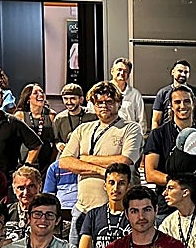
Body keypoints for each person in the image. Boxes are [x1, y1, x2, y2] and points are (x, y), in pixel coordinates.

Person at [58, 79, 143, 222]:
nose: (104, 106)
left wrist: (84, 159)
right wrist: (99, 170)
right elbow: (64, 162)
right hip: (82, 208)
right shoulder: (83, 129)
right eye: (99, 103)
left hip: (116, 209)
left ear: (119, 103)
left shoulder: (130, 128)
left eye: (109, 102)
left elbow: (124, 161)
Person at [142, 85, 196, 217]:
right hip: (167, 208)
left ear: (194, 104)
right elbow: (150, 174)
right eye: (177, 102)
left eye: (187, 101)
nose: (182, 106)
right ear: (171, 106)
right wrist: (181, 184)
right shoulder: (158, 134)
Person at [76, 163, 132, 248]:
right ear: (105, 185)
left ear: (128, 186)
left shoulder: (135, 215)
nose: (115, 188)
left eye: (121, 183)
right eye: (111, 183)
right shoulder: (93, 214)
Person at [151, 59, 196, 128]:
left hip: (190, 133)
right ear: (172, 72)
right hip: (168, 134)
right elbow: (156, 120)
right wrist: (155, 136)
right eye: (180, 71)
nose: (183, 74)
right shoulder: (162, 93)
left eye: (186, 72)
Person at [11, 83, 56, 175]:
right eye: (35, 93)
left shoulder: (51, 115)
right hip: (24, 161)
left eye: (42, 92)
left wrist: (52, 163)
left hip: (45, 162)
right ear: (28, 98)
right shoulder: (20, 115)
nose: (40, 95)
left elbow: (55, 141)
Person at [0, 166, 43, 243]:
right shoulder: (5, 211)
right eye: (21, 188)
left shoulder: (48, 213)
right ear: (14, 189)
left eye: (31, 186)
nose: (26, 192)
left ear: (40, 186)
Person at [110, 57, 144, 127]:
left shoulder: (135, 94)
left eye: (125, 71)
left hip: (129, 135)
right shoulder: (102, 90)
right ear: (112, 71)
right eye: (119, 70)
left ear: (128, 75)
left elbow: (141, 120)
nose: (122, 73)